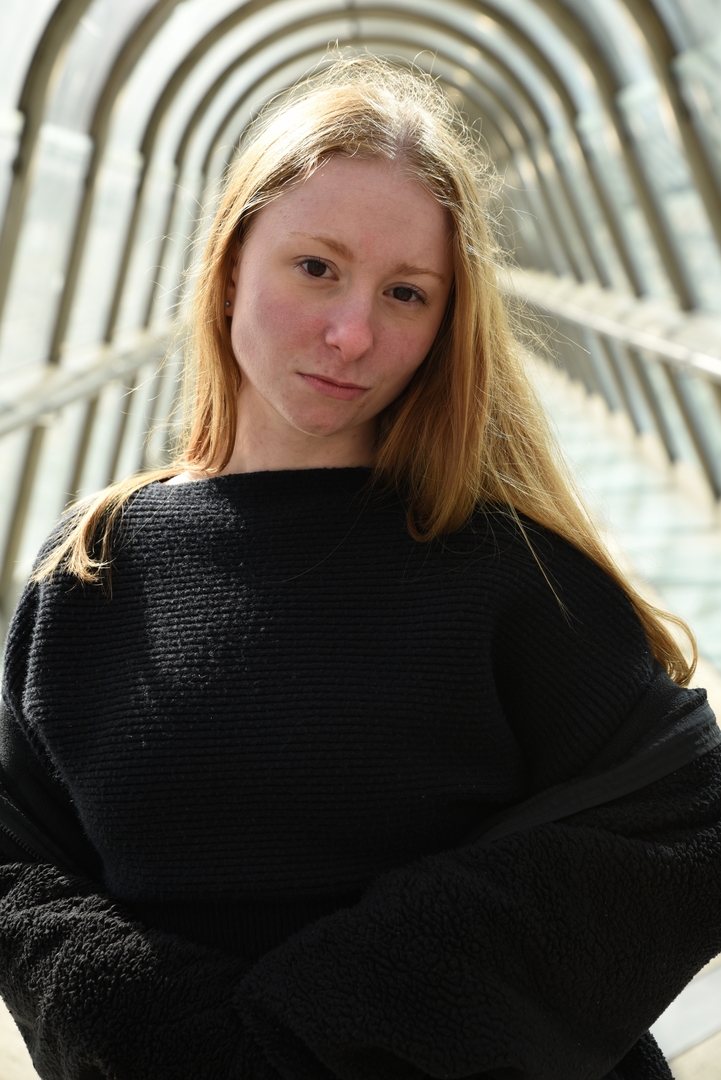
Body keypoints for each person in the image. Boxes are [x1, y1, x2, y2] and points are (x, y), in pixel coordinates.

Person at [0, 55, 720, 1080]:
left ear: (446, 324)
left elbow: (685, 821)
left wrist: (319, 1035)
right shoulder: (91, 569)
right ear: (230, 260)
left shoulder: (511, 568)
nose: (352, 334)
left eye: (406, 293)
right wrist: (140, 1024)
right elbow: (20, 860)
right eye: (316, 268)